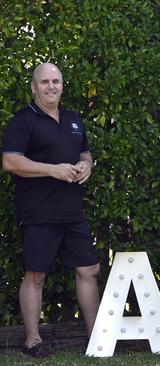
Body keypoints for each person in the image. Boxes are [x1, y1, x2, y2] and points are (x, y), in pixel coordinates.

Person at [1, 63, 100, 357]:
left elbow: (84, 151)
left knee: (89, 269)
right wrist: (52, 170)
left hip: (72, 210)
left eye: (55, 81)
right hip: (38, 211)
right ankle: (32, 341)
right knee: (36, 275)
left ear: (62, 86)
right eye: (44, 82)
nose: (51, 86)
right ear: (34, 87)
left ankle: (96, 338)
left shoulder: (72, 119)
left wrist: (86, 165)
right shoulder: (22, 121)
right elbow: (10, 162)